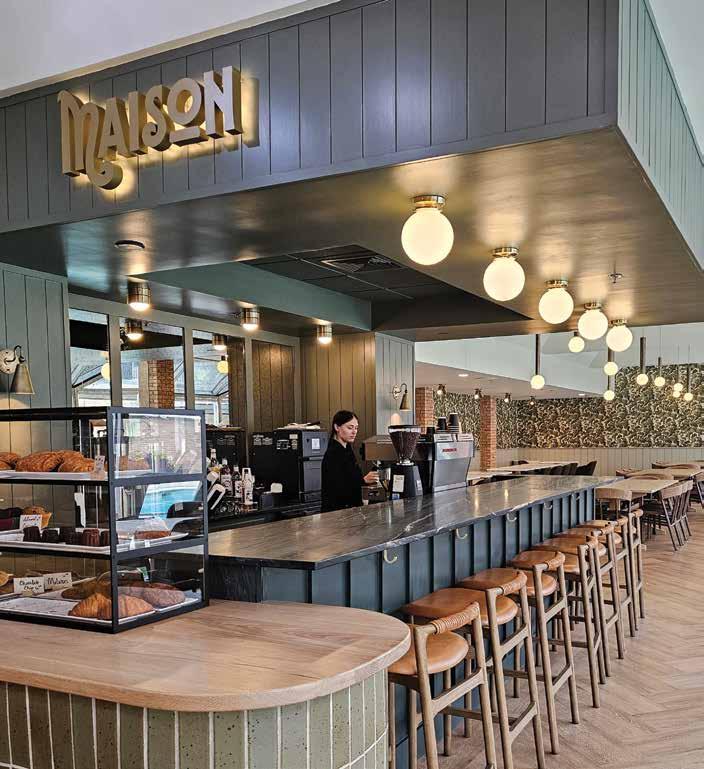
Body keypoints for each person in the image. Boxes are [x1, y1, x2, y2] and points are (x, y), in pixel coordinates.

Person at [321, 410, 378, 512]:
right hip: (337, 513)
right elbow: (338, 488)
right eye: (350, 427)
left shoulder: (347, 449)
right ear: (337, 427)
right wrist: (364, 481)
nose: (354, 431)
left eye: (356, 428)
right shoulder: (333, 454)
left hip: (349, 510)